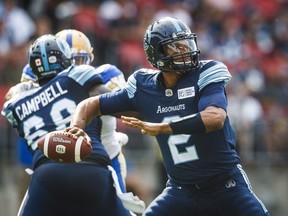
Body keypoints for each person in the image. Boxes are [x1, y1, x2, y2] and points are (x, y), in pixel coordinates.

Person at [65, 17, 270, 216]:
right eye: (176, 46)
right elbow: (90, 104)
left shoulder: (206, 73)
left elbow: (215, 118)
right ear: (157, 54)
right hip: (180, 190)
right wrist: (76, 129)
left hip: (226, 186)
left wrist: (163, 128)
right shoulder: (143, 86)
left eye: (187, 44)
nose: (185, 50)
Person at [2, 34, 132, 216]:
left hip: (46, 172)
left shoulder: (17, 100)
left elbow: (14, 103)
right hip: (93, 164)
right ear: (66, 58)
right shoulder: (81, 76)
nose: (78, 64)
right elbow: (122, 104)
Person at [56, 29, 128, 192]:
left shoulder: (105, 74)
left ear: (90, 59)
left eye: (79, 60)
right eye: (70, 61)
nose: (75, 67)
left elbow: (123, 105)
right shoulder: (49, 85)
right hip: (62, 161)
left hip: (107, 158)